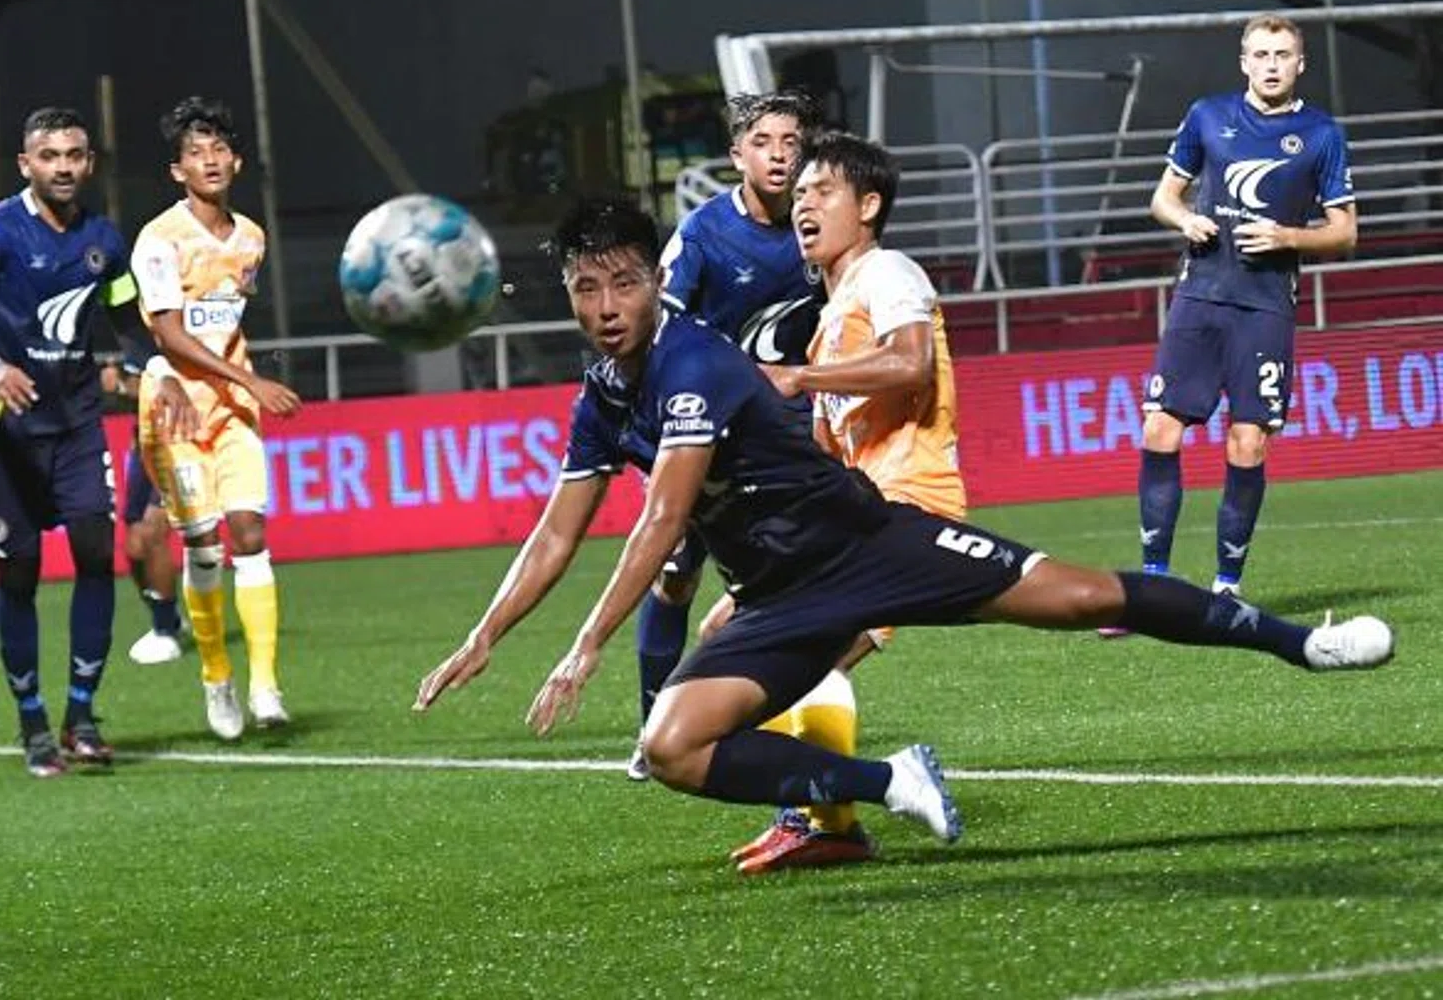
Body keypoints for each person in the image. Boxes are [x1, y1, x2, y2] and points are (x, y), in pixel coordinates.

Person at [414, 196, 1393, 856]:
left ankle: (1303, 642)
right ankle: (889, 780)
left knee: (1085, 594)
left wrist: (583, 646)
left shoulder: (695, 363)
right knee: (672, 744)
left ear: (652, 285)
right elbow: (555, 531)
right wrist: (483, 636)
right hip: (780, 600)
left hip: (874, 546)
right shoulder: (601, 390)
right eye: (586, 287)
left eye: (623, 282)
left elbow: (662, 516)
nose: (605, 304)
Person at [702, 131, 968, 871]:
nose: (804, 204)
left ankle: (831, 820)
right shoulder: (829, 316)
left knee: (801, 658)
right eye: (802, 193)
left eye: (823, 191)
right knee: (729, 633)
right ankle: (819, 813)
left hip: (907, 504)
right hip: (860, 514)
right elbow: (829, 454)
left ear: (870, 205)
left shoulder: (887, 271)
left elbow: (912, 360)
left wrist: (794, 380)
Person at [0, 106, 195, 778]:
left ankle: (81, 714)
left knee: (93, 548)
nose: (64, 167)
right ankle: (32, 725)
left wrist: (153, 368)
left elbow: (130, 321)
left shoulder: (103, 240)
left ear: (90, 162)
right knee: (17, 571)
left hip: (75, 423)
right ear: (26, 164)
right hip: (4, 430)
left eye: (75, 155)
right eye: (50, 156)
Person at [632, 90, 827, 781]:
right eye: (765, 142)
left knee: (797, 579)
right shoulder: (705, 234)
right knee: (676, 577)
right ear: (736, 155)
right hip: (708, 432)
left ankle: (760, 717)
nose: (780, 154)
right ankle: (656, 719)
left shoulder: (820, 223)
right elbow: (662, 329)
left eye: (792, 141)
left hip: (794, 436)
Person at [1133, 14, 1357, 607]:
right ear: (1244, 61)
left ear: (1300, 63)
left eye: (1283, 54)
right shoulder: (1207, 115)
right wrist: (1185, 219)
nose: (1272, 64)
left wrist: (1289, 237)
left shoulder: (1321, 133)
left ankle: (1226, 588)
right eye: (1260, 54)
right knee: (1160, 429)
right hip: (1199, 296)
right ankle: (1154, 584)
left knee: (1248, 442)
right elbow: (1163, 197)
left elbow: (1345, 232)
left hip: (1264, 309)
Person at [131, 96, 302, 741]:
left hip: (232, 411)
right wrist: (251, 378)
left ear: (236, 160)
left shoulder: (251, 237)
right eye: (195, 154)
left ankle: (265, 684)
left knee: (250, 532)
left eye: (218, 151)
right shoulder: (158, 240)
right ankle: (216, 675)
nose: (210, 162)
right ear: (177, 171)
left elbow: (228, 316)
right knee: (201, 541)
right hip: (174, 408)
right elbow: (170, 335)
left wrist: (242, 387)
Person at [97, 359, 185, 664]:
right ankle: (169, 616)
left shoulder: (172, 331)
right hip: (144, 449)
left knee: (152, 532)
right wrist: (118, 387)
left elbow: (170, 390)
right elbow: (138, 393)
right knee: (133, 548)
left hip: (179, 445)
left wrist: (120, 386)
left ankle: (165, 633)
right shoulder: (133, 335)